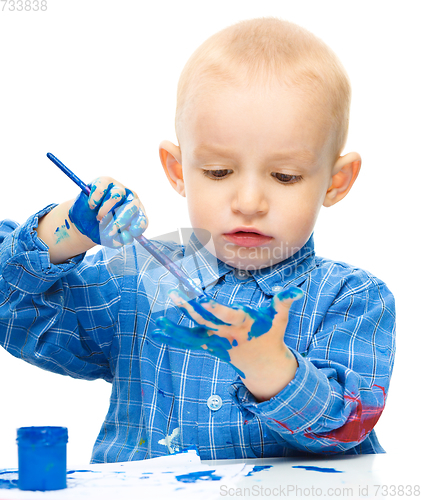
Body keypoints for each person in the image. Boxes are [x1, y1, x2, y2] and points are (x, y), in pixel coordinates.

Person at [0, 17, 395, 462]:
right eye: (219, 172)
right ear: (177, 170)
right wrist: (68, 232)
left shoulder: (353, 297)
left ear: (335, 182)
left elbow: (348, 426)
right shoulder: (136, 280)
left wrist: (271, 368)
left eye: (285, 176)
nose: (248, 201)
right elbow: (14, 316)